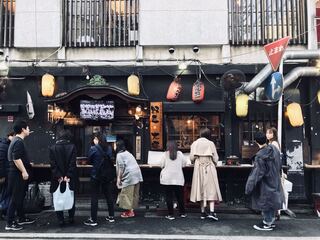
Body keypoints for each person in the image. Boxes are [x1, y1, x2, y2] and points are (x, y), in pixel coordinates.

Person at [245, 131, 284, 231]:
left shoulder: (260, 156)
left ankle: (267, 223)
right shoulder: (274, 149)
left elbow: (257, 173)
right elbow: (279, 163)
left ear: (256, 142)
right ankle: (270, 220)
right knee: (272, 200)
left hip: (266, 181)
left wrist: (249, 186)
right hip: (275, 178)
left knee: (266, 201)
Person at [6, 120, 35, 231]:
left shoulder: (16, 140)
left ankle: (21, 218)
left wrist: (27, 163)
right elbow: (16, 158)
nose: (29, 130)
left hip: (15, 173)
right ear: (23, 129)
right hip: (16, 174)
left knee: (19, 197)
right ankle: (9, 222)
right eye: (27, 128)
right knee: (15, 198)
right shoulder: (18, 141)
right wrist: (24, 171)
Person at [190, 128, 222, 221]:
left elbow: (191, 158)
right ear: (208, 135)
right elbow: (216, 158)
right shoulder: (211, 143)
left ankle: (203, 213)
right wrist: (214, 163)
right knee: (211, 189)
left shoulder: (195, 143)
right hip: (209, 168)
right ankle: (212, 212)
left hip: (198, 168)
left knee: (200, 189)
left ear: (200, 134)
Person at [84, 133, 116, 226]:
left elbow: (89, 160)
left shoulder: (93, 148)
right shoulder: (109, 148)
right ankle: (111, 216)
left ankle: (93, 220)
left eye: (95, 138)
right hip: (106, 175)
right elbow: (111, 159)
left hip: (96, 175)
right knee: (109, 196)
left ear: (97, 139)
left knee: (94, 197)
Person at [49, 129, 78, 227]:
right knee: (71, 195)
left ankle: (60, 219)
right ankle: (71, 218)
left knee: (58, 197)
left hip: (58, 178)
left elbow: (53, 164)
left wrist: (59, 176)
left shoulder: (53, 148)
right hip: (70, 178)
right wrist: (68, 176)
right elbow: (72, 163)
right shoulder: (72, 147)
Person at [160, 140, 187, 220]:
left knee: (169, 197)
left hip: (167, 179)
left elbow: (161, 165)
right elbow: (184, 164)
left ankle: (170, 215)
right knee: (180, 197)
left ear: (168, 146)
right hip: (178, 178)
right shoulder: (180, 154)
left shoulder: (165, 154)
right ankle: (182, 213)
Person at [116, 139, 143, 218]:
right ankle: (131, 210)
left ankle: (129, 212)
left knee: (127, 193)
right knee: (134, 194)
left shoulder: (119, 155)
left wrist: (119, 179)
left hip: (130, 175)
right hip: (137, 174)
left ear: (117, 146)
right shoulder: (128, 153)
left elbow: (121, 168)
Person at [0, 132, 14, 218]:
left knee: (5, 193)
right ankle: (3, 210)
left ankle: (4, 211)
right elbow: (1, 162)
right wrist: (2, 176)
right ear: (10, 136)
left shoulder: (6, 145)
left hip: (6, 174)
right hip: (4, 175)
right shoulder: (4, 146)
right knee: (6, 193)